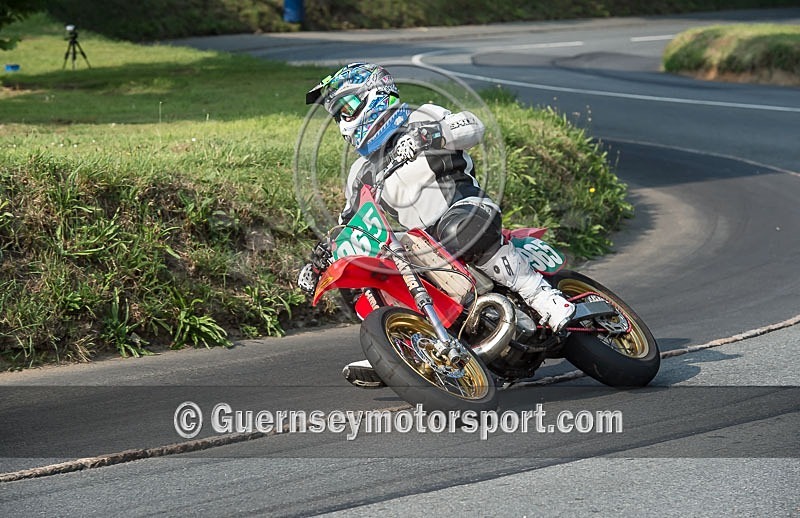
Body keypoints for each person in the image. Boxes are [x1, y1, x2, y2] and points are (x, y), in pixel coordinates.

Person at [299, 63, 575, 388]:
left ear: (375, 93)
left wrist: (430, 134)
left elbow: (472, 126)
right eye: (338, 115)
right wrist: (321, 260)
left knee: (457, 229)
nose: (343, 121)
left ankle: (542, 296)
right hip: (426, 245)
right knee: (362, 268)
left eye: (346, 108)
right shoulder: (360, 171)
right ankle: (400, 347)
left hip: (465, 207)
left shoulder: (422, 116)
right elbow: (351, 223)